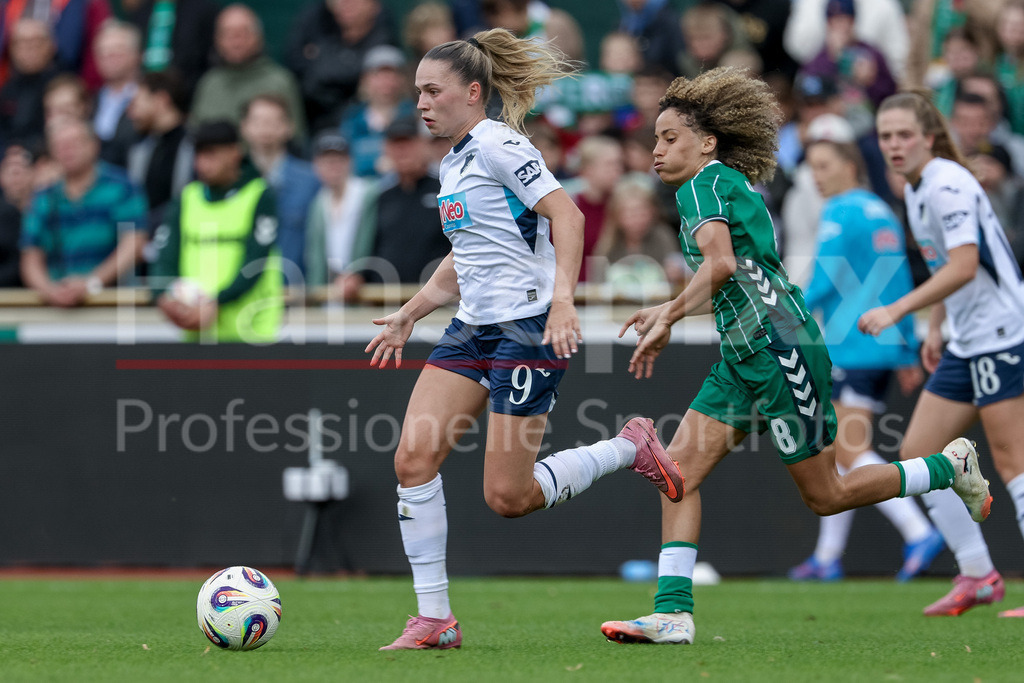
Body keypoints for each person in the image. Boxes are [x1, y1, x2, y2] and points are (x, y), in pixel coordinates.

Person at [598, 67, 991, 645]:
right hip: (746, 352)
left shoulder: (702, 184)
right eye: (653, 140)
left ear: (707, 141)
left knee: (825, 495)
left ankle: (945, 468)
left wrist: (667, 313)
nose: (656, 150)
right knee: (676, 473)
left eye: (669, 137)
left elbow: (722, 265)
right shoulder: (720, 181)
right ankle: (673, 613)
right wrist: (674, 308)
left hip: (778, 347)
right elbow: (732, 270)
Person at [368, 28, 685, 651]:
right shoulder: (454, 159)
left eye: (433, 91)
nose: (422, 103)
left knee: (508, 497)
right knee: (411, 459)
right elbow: (466, 256)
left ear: (473, 92)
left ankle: (630, 445)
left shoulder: (498, 144)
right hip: (472, 329)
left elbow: (566, 214)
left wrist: (563, 299)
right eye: (417, 93)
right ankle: (435, 619)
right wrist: (411, 311)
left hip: (527, 327)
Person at [858, 91, 1024, 618]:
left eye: (904, 134)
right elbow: (944, 267)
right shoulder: (918, 188)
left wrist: (897, 312)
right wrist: (936, 325)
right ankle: (977, 574)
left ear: (928, 136)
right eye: (886, 136)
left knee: (1013, 461)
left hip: (1002, 333)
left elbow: (965, 266)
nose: (894, 145)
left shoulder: (946, 184)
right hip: (966, 338)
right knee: (917, 457)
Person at [787, 136, 944, 582]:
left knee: (849, 447)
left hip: (851, 342)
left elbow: (824, 279)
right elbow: (896, 282)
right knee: (837, 451)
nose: (817, 177)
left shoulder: (841, 210)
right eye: (812, 168)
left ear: (850, 165)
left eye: (824, 165)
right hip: (882, 343)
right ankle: (827, 557)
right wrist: (907, 348)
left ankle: (918, 531)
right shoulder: (880, 210)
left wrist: (775, 313)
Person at [150, 120, 282, 343]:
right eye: (198, 155)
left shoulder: (259, 195)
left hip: (251, 332)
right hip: (197, 331)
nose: (202, 163)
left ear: (234, 153)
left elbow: (255, 261)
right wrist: (163, 296)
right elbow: (166, 255)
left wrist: (216, 302)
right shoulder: (187, 197)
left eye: (211, 154)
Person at [19, 118, 147, 306]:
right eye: (59, 146)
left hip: (111, 304)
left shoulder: (122, 187)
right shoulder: (43, 197)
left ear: (93, 145)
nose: (66, 151)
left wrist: (91, 283)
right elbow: (30, 256)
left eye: (73, 144)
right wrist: (49, 291)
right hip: (56, 310)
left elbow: (134, 243)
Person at [189, 4, 305, 141]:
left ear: (258, 37)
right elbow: (193, 137)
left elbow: (297, 138)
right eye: (228, 35)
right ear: (217, 40)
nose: (236, 42)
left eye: (242, 34)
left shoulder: (280, 81)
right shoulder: (209, 83)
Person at [240, 94, 320, 279]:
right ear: (244, 127)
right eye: (258, 121)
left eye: (274, 121)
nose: (265, 129)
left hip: (295, 289)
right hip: (243, 289)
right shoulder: (232, 181)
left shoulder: (311, 180)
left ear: (289, 127)